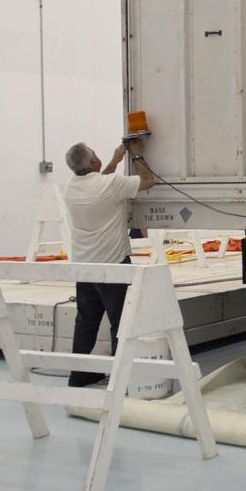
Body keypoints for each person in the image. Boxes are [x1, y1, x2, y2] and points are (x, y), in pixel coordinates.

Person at [62, 140, 155, 386]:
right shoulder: (110, 184)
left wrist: (114, 160)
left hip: (84, 267)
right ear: (93, 162)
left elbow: (100, 184)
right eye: (95, 153)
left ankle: (78, 376)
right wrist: (135, 155)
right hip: (113, 266)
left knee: (85, 322)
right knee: (120, 322)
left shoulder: (71, 187)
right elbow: (148, 181)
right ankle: (119, 377)